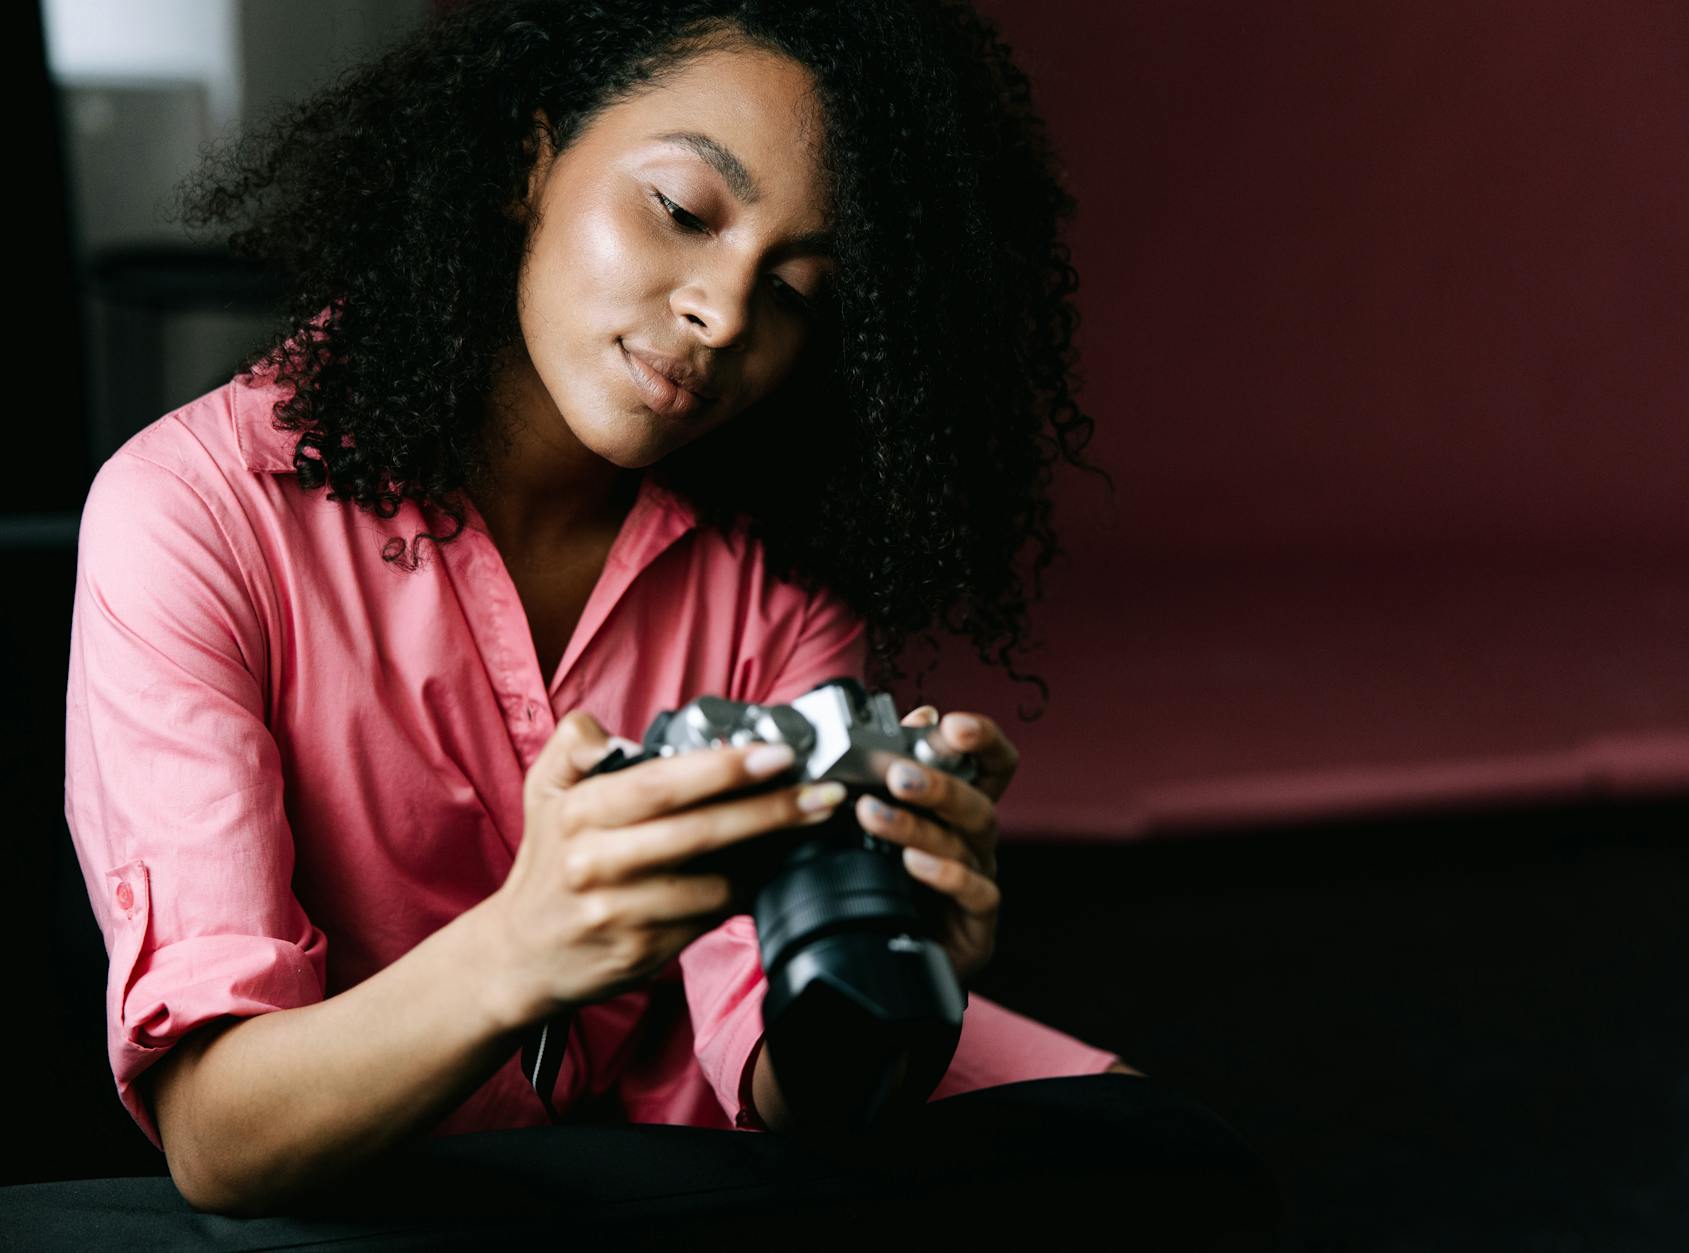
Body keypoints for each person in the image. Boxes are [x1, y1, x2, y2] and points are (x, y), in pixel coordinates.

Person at [63, 0, 1152, 1222]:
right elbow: (219, 1140)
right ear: (531, 155)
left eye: (794, 290)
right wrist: (527, 944)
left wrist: (885, 972)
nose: (724, 314)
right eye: (682, 212)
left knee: (1152, 1160)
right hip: (369, 1153)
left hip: (694, 1129)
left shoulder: (775, 575)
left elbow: (784, 1073)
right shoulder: (192, 514)